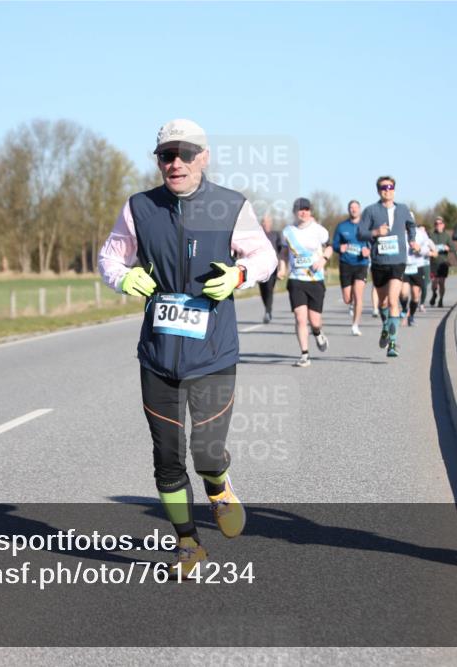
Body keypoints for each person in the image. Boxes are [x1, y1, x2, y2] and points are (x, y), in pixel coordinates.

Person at [97, 119, 277, 575]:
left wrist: (238, 276)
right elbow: (109, 257)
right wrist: (124, 277)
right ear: (158, 160)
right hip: (158, 356)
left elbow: (265, 256)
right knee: (167, 457)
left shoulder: (230, 205)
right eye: (166, 155)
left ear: (204, 157)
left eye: (185, 153)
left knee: (206, 454)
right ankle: (187, 543)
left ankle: (218, 487)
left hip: (213, 355)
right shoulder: (140, 207)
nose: (175, 163)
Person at [357, 176, 419, 358]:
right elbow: (360, 233)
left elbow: (411, 225)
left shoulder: (403, 209)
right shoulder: (370, 211)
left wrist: (413, 239)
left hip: (398, 261)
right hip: (379, 262)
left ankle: (392, 344)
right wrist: (375, 232)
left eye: (390, 187)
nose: (387, 190)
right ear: (378, 191)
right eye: (383, 187)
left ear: (395, 190)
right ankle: (386, 326)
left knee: (393, 301)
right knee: (383, 302)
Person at [278, 197, 332, 366]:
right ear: (295, 211)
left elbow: (330, 247)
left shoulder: (319, 230)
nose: (304, 212)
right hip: (296, 280)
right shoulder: (287, 232)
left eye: (307, 209)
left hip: (315, 280)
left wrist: (323, 259)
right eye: (300, 209)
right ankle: (304, 355)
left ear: (311, 212)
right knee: (300, 318)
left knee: (315, 321)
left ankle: (318, 333)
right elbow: (284, 254)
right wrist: (282, 268)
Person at [332, 200, 370, 335]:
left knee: (358, 295)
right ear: (349, 210)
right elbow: (334, 244)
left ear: (360, 209)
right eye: (351, 208)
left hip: (361, 264)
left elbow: (373, 242)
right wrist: (339, 247)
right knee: (347, 298)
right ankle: (351, 303)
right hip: (346, 264)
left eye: (356, 208)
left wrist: (369, 250)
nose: (353, 210)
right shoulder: (342, 226)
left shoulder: (366, 226)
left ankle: (355, 325)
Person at [400, 222, 437, 325]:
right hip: (404, 266)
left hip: (417, 266)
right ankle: (404, 309)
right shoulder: (398, 232)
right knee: (403, 293)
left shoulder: (420, 233)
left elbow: (427, 248)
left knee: (415, 295)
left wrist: (419, 249)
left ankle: (411, 316)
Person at [258, 212, 283, 323]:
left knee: (269, 289)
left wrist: (282, 266)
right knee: (263, 290)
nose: (265, 224)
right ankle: (268, 309)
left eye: (267, 222)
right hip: (260, 267)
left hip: (272, 267)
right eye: (263, 222)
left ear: (271, 223)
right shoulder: (257, 235)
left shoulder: (276, 234)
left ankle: (268, 312)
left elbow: (282, 251)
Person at [428, 216, 453, 307]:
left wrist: (447, 248)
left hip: (443, 263)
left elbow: (452, 248)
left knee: (441, 282)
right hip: (433, 262)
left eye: (439, 224)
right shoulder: (430, 235)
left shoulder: (446, 236)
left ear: (443, 225)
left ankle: (441, 299)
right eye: (436, 224)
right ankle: (434, 294)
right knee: (434, 282)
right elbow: (426, 246)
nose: (438, 225)